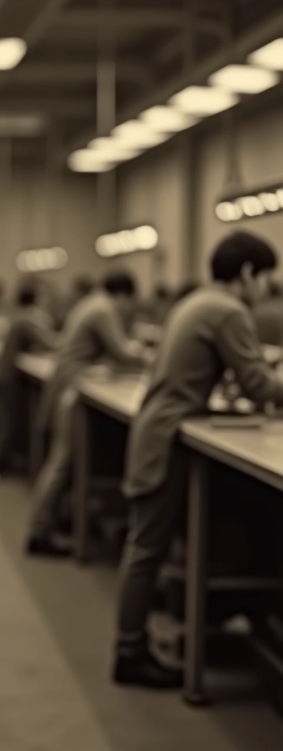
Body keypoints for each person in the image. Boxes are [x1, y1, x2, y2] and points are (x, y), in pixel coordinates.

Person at [113, 231, 283, 689]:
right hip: (165, 438)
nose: (268, 289)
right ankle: (129, 652)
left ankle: (139, 642)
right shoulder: (227, 309)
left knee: (146, 547)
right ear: (248, 272)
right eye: (268, 277)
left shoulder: (199, 302)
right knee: (146, 549)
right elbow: (260, 388)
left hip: (159, 431)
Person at [26, 270, 147, 557]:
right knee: (62, 462)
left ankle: (51, 523)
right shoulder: (103, 309)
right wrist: (153, 356)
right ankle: (38, 532)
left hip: (69, 386)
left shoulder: (91, 304)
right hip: (72, 391)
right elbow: (123, 353)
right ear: (122, 295)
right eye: (129, 303)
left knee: (63, 462)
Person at [0, 280, 58, 473]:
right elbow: (49, 342)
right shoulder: (29, 318)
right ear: (36, 298)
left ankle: (2, 462)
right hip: (9, 376)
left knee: (6, 420)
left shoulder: (19, 315)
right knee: (8, 421)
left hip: (4, 373)